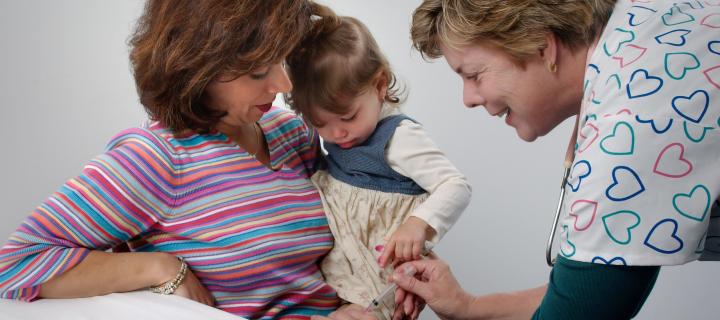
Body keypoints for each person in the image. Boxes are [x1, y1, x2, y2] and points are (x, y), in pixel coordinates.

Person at [0, 1, 373, 319]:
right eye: (259, 71)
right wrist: (160, 267)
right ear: (198, 70)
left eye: (282, 61)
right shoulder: (156, 159)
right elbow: (16, 265)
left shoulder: (291, 132)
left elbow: (325, 258)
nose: (284, 85)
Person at [390, 0, 720, 319]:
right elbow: (590, 292)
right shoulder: (639, 31)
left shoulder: (629, 119)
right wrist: (469, 307)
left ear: (543, 47)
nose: (468, 99)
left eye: (474, 74)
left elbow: (581, 310)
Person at [285, 14, 472, 320]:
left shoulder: (398, 139)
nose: (337, 134)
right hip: (338, 276)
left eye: (347, 117)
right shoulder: (334, 137)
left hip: (378, 279)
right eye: (320, 123)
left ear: (380, 85)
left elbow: (456, 186)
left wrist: (417, 224)